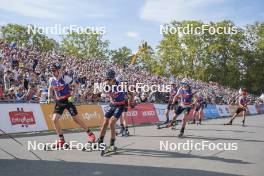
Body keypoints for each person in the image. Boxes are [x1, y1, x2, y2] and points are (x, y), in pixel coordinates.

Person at [47, 63, 95, 147]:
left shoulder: (65, 78)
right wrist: (49, 97)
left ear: (58, 70)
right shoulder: (51, 79)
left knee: (76, 119)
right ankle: (61, 140)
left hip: (68, 100)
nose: (52, 72)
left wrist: (73, 95)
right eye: (51, 71)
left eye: (54, 70)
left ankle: (90, 134)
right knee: (54, 119)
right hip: (59, 101)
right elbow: (50, 88)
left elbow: (76, 85)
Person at [97, 69, 126, 151]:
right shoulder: (106, 84)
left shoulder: (120, 85)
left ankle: (112, 144)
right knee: (105, 122)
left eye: (109, 79)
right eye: (107, 79)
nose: (108, 80)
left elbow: (129, 92)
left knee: (111, 123)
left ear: (114, 78)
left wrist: (131, 100)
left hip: (120, 105)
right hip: (113, 104)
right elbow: (104, 93)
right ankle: (100, 141)